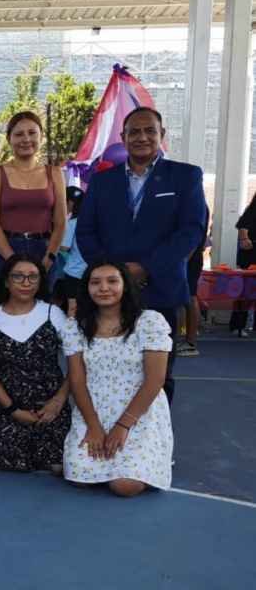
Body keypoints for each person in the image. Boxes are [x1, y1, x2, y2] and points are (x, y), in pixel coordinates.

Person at [76, 107, 207, 405]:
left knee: (159, 378)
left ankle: (156, 435)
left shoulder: (186, 176)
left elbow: (191, 231)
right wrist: (114, 275)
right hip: (109, 295)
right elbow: (85, 232)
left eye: (150, 130)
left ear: (162, 135)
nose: (142, 137)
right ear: (123, 137)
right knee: (107, 373)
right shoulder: (102, 181)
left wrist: (146, 268)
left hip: (160, 291)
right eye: (134, 131)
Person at [61, 262, 173, 497]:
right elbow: (77, 381)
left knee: (124, 486)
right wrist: (93, 426)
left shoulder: (148, 322)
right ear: (87, 288)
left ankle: (150, 458)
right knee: (79, 476)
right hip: (94, 410)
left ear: (126, 285)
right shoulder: (75, 326)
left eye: (112, 281)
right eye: (95, 282)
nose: (103, 288)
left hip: (138, 412)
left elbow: (155, 380)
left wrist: (122, 426)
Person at [0, 255, 70, 472]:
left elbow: (77, 365)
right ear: (6, 281)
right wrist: (14, 410)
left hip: (50, 408)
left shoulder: (54, 314)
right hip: (7, 408)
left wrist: (57, 402)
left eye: (32, 277)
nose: (26, 282)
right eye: (18, 276)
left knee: (59, 466)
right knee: (11, 463)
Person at [0, 112, 68, 298]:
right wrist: (12, 260)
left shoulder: (55, 173)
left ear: (41, 136)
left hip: (43, 252)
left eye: (32, 133)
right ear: (9, 139)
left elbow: (61, 222)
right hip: (3, 251)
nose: (26, 139)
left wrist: (49, 258)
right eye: (19, 134)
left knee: (42, 309)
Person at [53, 187, 88, 317]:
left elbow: (64, 247)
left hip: (74, 272)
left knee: (73, 309)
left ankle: (70, 330)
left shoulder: (73, 222)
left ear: (70, 202)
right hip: (89, 270)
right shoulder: (93, 220)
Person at [178, 214, 210, 355]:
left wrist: (183, 261)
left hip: (189, 258)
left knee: (190, 297)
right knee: (186, 297)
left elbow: (194, 236)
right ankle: (186, 339)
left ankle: (190, 343)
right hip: (186, 256)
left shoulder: (197, 206)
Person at [230, 194, 256, 336]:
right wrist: (245, 239)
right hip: (250, 259)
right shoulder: (251, 210)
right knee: (246, 293)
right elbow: (242, 228)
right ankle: (237, 325)